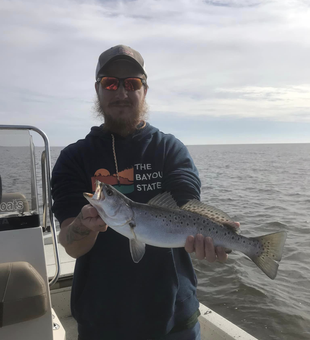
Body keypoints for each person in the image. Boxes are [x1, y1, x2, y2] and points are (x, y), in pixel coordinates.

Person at [51, 44, 229, 340]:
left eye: (131, 83)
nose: (121, 93)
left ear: (144, 90)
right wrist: (84, 225)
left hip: (174, 317)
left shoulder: (169, 149)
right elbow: (72, 246)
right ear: (97, 89)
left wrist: (219, 238)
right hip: (101, 320)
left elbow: (189, 208)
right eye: (110, 83)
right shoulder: (74, 157)